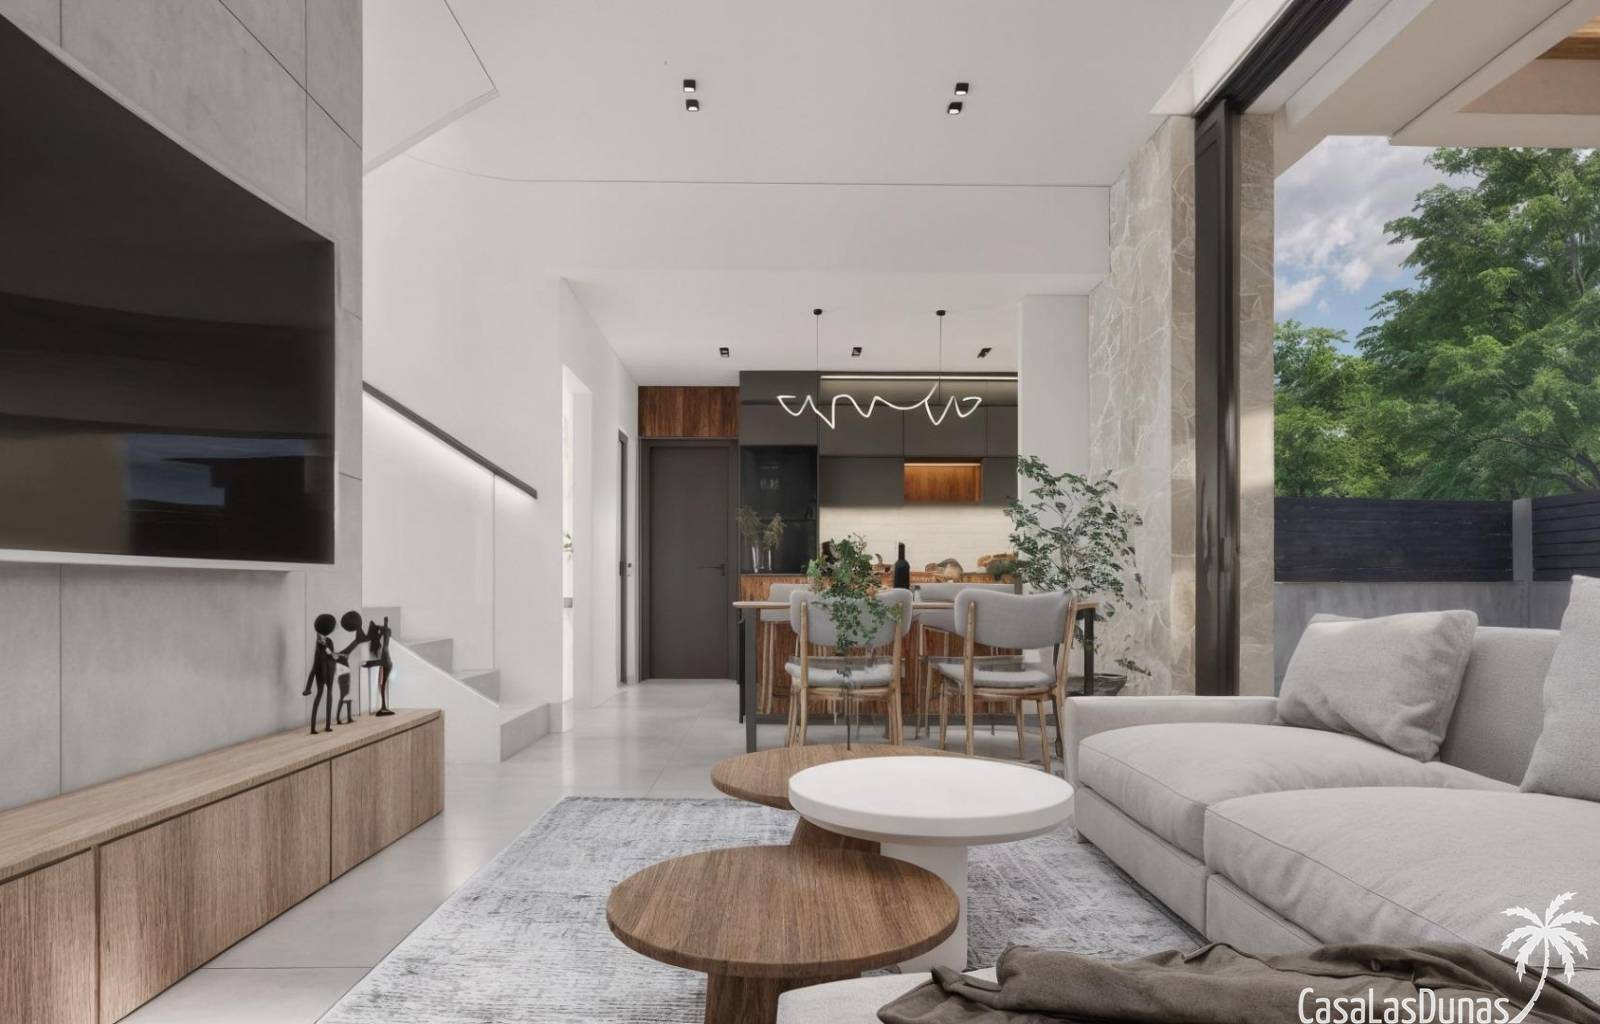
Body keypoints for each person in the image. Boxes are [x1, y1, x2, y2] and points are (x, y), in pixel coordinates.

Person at [303, 614, 338, 734]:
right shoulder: (320, 642)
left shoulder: (326, 642)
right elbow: (317, 662)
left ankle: (326, 726)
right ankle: (315, 727)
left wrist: (330, 653)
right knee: (322, 694)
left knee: (326, 694)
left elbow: (331, 656)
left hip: (328, 670)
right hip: (323, 670)